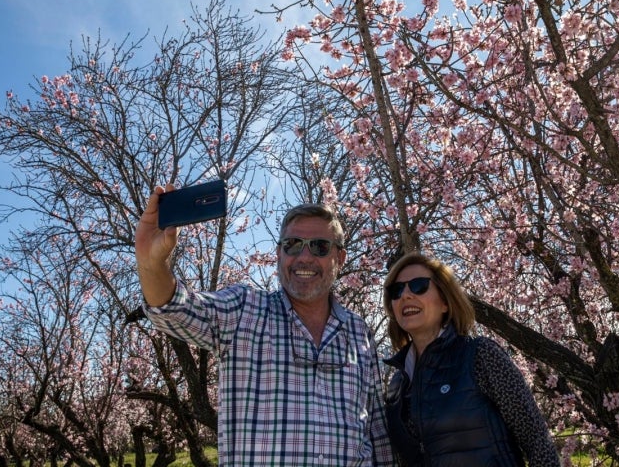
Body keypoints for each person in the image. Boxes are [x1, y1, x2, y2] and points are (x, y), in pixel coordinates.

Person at [135, 184, 394, 466]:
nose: (305, 257)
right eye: (293, 245)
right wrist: (151, 264)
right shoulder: (244, 311)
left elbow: (378, 435)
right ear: (279, 254)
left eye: (320, 247)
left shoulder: (359, 333)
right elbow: (174, 308)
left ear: (339, 258)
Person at [382, 251, 561, 466]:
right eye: (396, 290)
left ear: (445, 302)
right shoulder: (398, 385)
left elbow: (537, 441)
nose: (406, 295)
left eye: (419, 285)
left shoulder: (481, 356)